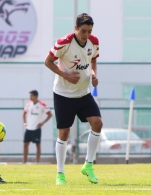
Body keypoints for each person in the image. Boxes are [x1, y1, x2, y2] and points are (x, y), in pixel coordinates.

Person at [44, 13, 103, 185]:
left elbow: (93, 62)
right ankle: (60, 174)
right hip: (63, 94)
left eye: (89, 31)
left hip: (84, 93)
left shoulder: (94, 42)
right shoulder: (64, 42)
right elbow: (48, 62)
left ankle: (88, 165)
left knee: (98, 123)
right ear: (75, 28)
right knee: (64, 133)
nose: (86, 35)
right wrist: (65, 75)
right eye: (83, 31)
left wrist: (93, 75)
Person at [23, 90, 52, 163]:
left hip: (36, 128)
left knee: (37, 145)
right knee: (25, 145)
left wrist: (42, 123)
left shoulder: (42, 104)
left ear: (36, 96)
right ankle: (24, 161)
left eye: (31, 95)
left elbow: (50, 114)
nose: (30, 97)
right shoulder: (28, 104)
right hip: (28, 128)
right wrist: (25, 122)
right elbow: (24, 113)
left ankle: (37, 162)